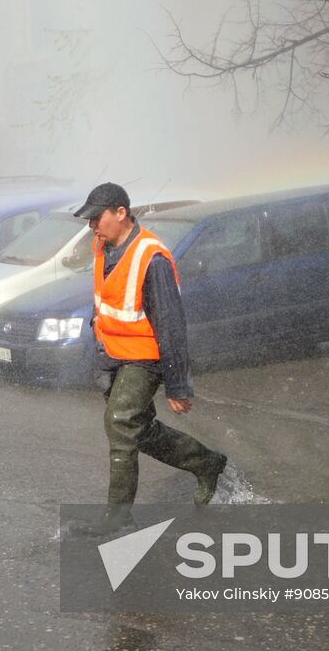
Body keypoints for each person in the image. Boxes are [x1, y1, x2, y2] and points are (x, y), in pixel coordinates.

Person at [75, 182, 227, 521]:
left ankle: (117, 519)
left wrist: (177, 385)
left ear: (121, 212)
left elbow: (171, 326)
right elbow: (107, 300)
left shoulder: (152, 257)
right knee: (136, 430)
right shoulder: (102, 247)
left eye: (96, 218)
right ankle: (207, 463)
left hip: (145, 357)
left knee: (120, 422)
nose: (92, 227)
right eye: (89, 221)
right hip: (112, 354)